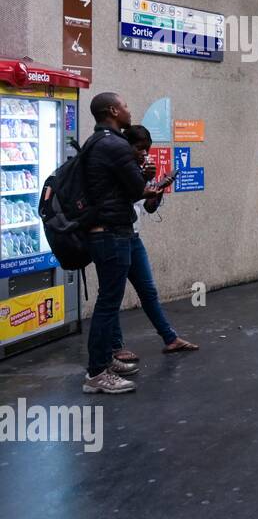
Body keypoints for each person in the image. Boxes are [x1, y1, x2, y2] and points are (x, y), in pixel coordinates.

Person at [81, 92, 164, 394]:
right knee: (107, 305)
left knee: (108, 301)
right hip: (112, 233)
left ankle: (104, 360)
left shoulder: (95, 141)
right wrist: (151, 184)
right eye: (126, 106)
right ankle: (96, 373)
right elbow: (137, 189)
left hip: (102, 230)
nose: (129, 110)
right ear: (113, 111)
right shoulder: (115, 145)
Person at [109, 126, 199, 364]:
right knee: (112, 296)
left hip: (132, 237)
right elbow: (119, 199)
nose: (144, 154)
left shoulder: (138, 170)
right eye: (139, 149)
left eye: (146, 150)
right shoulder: (116, 168)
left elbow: (147, 207)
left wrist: (158, 187)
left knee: (148, 291)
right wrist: (146, 181)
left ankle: (170, 338)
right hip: (114, 238)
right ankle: (114, 348)